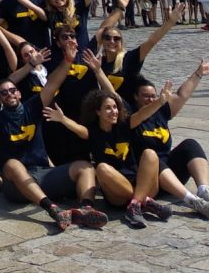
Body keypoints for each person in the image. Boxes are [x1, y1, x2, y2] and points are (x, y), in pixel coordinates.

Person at [0, 35, 108, 232]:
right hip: (15, 186)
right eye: (4, 93)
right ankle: (53, 209)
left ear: (19, 93)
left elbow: (53, 84)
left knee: (84, 166)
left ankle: (85, 209)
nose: (9, 94)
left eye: (12, 90)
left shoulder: (33, 107)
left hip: (43, 174)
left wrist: (67, 61)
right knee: (12, 164)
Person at [45, 83, 171, 229]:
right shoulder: (92, 132)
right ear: (98, 112)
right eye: (108, 108)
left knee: (150, 154)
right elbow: (78, 129)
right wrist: (62, 119)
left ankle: (136, 204)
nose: (114, 111)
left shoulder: (125, 124)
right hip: (117, 194)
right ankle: (144, 202)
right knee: (102, 168)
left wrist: (160, 101)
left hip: (141, 185)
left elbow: (143, 114)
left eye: (115, 107)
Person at [130, 61, 209, 217]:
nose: (150, 99)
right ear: (135, 97)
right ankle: (193, 201)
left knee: (190, 144)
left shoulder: (161, 112)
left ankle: (204, 190)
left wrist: (198, 73)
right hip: (150, 178)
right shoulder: (132, 118)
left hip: (172, 176)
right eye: (145, 96)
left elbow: (181, 95)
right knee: (153, 157)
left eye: (153, 96)